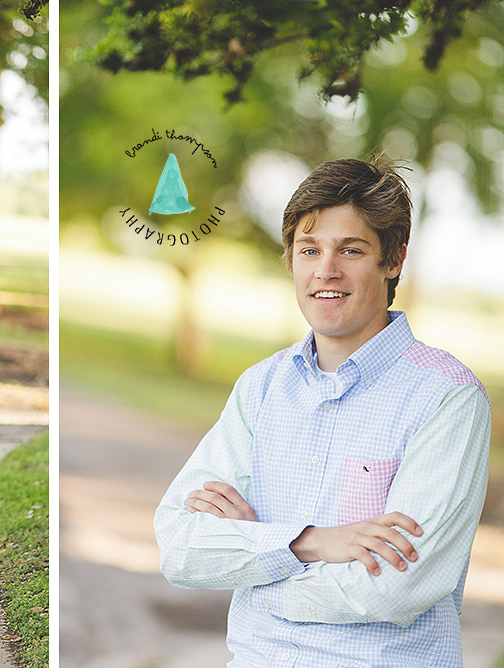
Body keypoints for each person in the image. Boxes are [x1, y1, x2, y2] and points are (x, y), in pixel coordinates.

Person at [154, 158, 490, 666]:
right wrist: (309, 543)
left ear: (394, 260)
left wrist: (257, 570)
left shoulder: (447, 397)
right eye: (309, 250)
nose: (325, 270)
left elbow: (396, 586)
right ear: (291, 259)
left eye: (350, 250)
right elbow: (180, 546)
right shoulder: (261, 388)